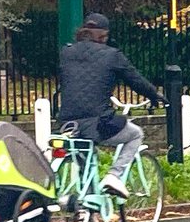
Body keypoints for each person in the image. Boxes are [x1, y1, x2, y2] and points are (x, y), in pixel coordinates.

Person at [57, 13, 165, 198]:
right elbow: (135, 80)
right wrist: (155, 95)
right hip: (98, 121)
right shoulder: (112, 55)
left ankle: (85, 211)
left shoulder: (66, 52)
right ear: (104, 36)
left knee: (85, 155)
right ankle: (114, 176)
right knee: (135, 134)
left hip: (67, 121)